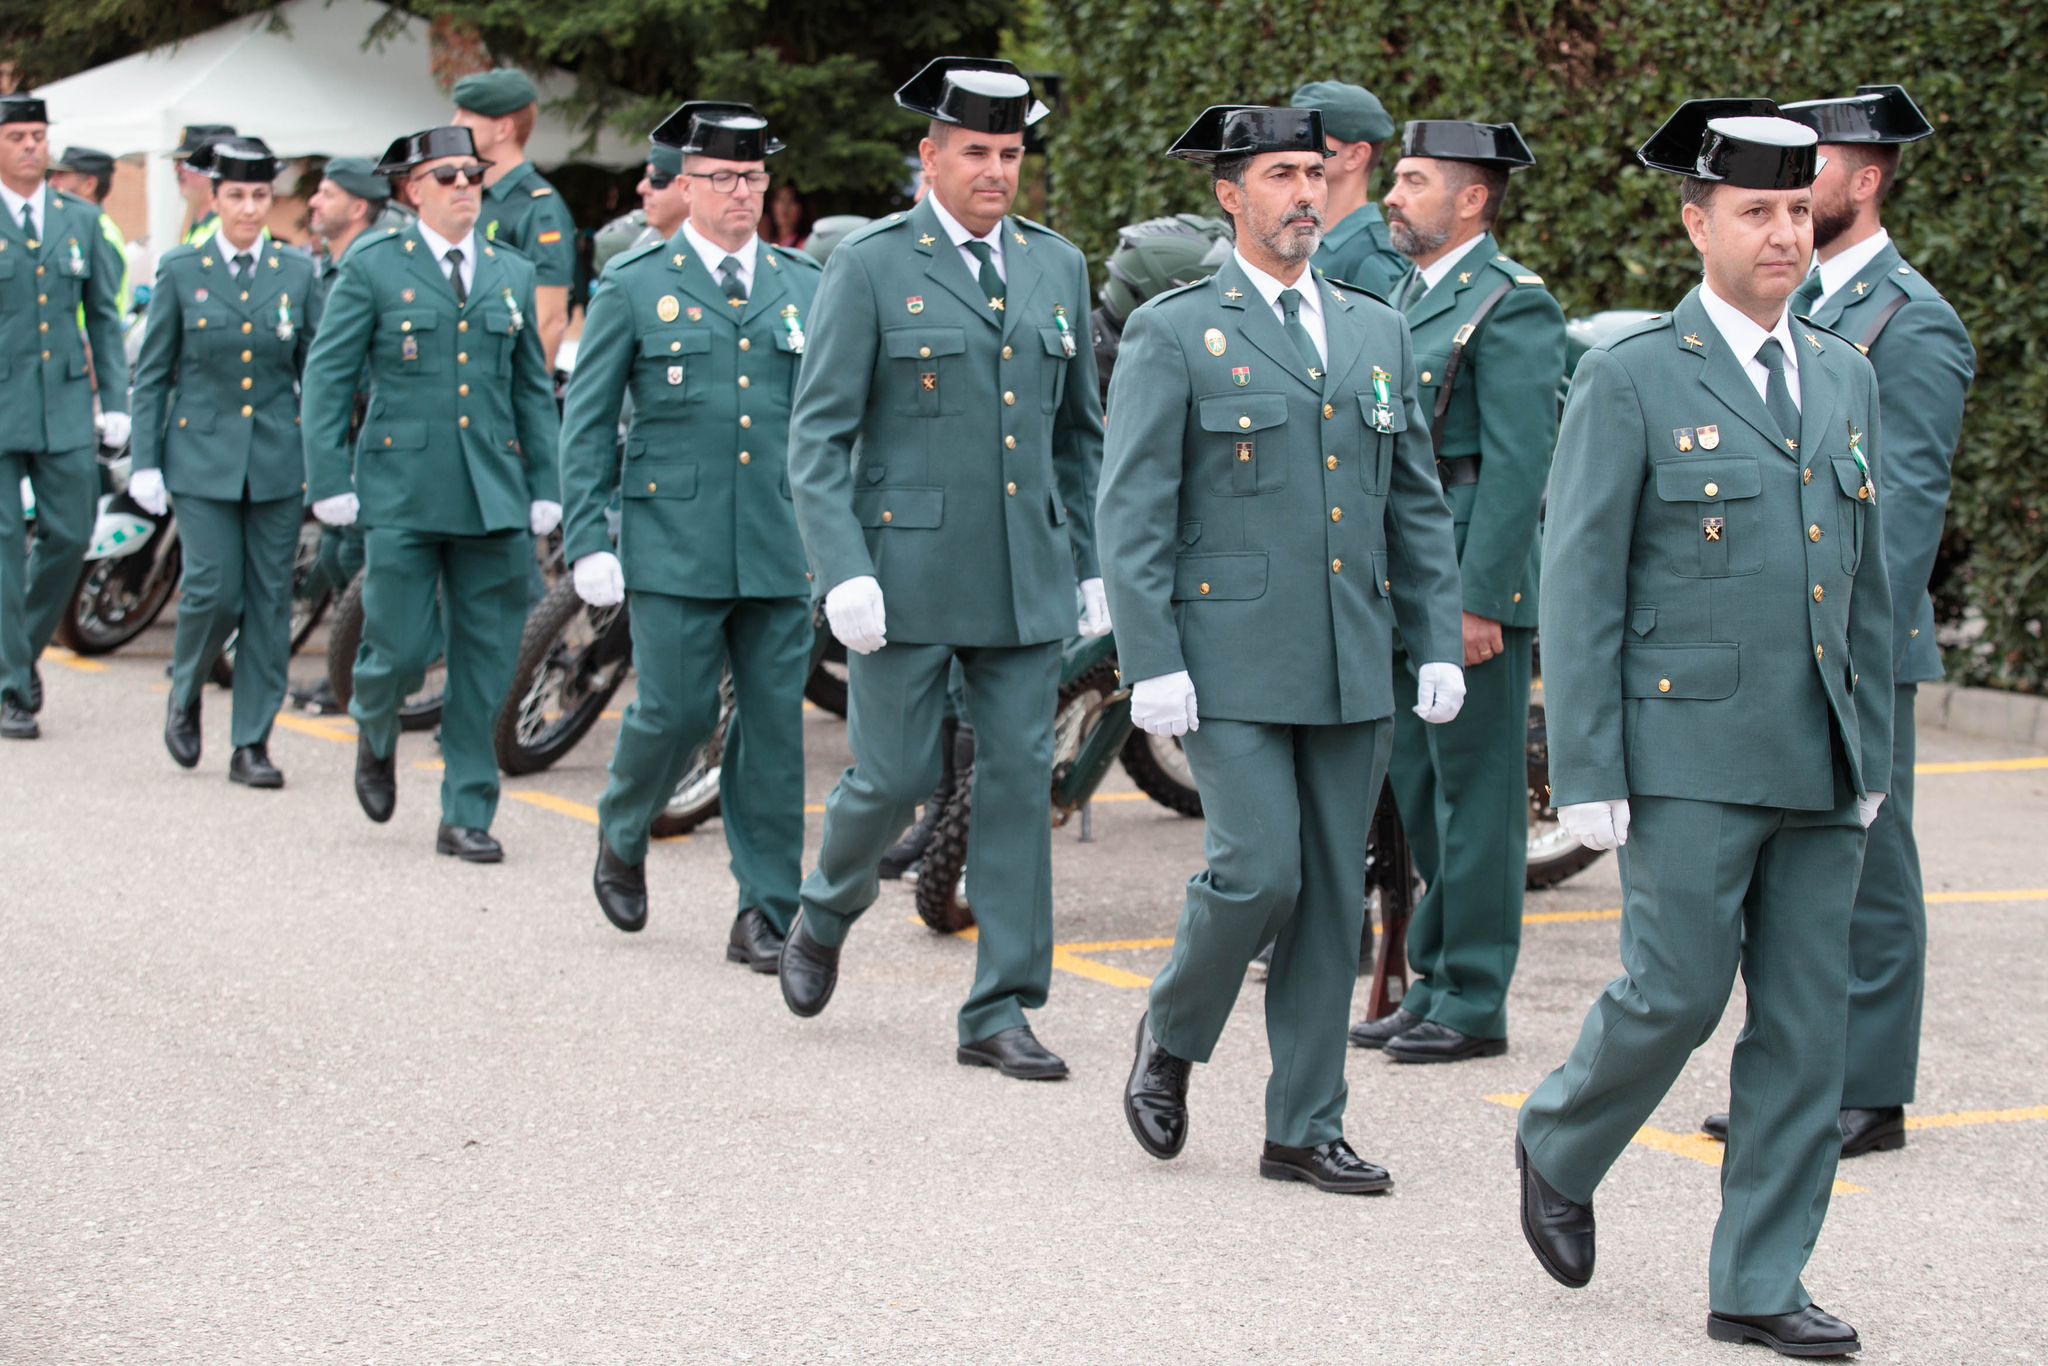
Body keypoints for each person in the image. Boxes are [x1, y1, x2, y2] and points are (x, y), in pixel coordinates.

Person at [1516, 100, 1891, 1358]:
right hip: (1684, 754)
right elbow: (1578, 583)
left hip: (1821, 754)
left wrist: (1874, 757)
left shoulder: (1841, 370)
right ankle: (1560, 1136)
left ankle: (1757, 1280)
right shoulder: (1628, 376)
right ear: (1696, 223)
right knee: (1673, 993)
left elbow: (1870, 579)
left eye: (1797, 209)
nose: (1782, 233)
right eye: (1755, 212)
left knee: (1804, 1028)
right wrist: (1584, 770)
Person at [1101, 105, 1464, 1192]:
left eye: (1313, 172)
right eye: (1277, 174)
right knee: (1257, 869)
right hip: (1227, 656)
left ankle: (1302, 1124)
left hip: (1352, 657)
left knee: (1327, 894)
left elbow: (1414, 499)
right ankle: (1170, 1033)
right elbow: (1133, 509)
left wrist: (1433, 636)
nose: (1303, 192)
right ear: (1229, 195)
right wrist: (1148, 656)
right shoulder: (1175, 329)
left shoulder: (1372, 327)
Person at [783, 57, 1108, 1079]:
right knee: (891, 777)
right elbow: (818, 437)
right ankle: (826, 906)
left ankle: (1000, 1007)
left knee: (1016, 781)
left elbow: (1078, 436)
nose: (996, 171)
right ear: (929, 158)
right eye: (975, 151)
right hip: (904, 575)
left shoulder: (1055, 266)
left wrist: (1092, 564)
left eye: (1010, 154)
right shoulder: (872, 265)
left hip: (1022, 576)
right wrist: (842, 568)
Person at [1696, 85, 1975, 1159]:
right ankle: (1796, 1073)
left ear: (1860, 181)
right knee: (1791, 872)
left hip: (1854, 644)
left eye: (1809, 170)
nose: (1784, 195)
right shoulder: (1794, 307)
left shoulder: (1910, 319)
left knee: (1869, 865)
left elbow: (1897, 519)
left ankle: (1868, 1086)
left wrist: (1846, 647)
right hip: (1774, 634)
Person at [564, 102, 822, 971]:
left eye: (753, 177)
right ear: (685, 185)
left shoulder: (806, 287)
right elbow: (588, 422)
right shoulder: (635, 285)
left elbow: (834, 426)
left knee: (773, 732)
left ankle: (765, 909)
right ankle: (624, 827)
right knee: (672, 712)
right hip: (672, 539)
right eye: (721, 177)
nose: (741, 192)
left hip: (780, 541)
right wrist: (587, 537)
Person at [1348, 121, 1565, 1063]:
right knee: (1422, 789)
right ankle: (1433, 978)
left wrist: (1479, 601)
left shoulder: (1513, 305)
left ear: (1472, 199)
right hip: (1404, 572)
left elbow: (1521, 466)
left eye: (1413, 180)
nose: (1393, 196)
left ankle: (1475, 997)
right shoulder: (1406, 292)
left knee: (1476, 797)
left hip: (1467, 581)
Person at [300, 125, 561, 862]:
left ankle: (467, 812)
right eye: (445, 176)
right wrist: (328, 481)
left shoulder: (510, 271)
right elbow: (327, 379)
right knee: (401, 648)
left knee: (486, 661)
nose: (463, 187)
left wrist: (547, 486)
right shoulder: (374, 267)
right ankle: (376, 727)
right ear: (411, 189)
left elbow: (529, 391)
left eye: (472, 175)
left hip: (492, 492)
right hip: (403, 490)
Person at [127, 138, 320, 786]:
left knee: (269, 601)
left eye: (260, 195)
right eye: (236, 195)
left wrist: (324, 463)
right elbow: (153, 375)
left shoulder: (297, 272)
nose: (248, 207)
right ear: (214, 199)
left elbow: (316, 374)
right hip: (200, 456)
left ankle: (252, 742)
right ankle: (185, 691)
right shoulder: (182, 268)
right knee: (213, 590)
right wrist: (145, 462)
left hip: (275, 457)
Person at [0, 93, 132, 741]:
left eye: (38, 135)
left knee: (70, 530)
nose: (31, 145)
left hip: (64, 405)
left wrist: (117, 405)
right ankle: (12, 685)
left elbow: (104, 317)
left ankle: (15, 652)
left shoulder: (78, 221)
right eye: (17, 135)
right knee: (1, 544)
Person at [293, 154, 395, 714]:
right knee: (338, 554)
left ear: (359, 207)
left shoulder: (366, 262)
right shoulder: (333, 264)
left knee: (354, 554)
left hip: (367, 431)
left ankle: (367, 678)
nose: (314, 201)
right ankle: (350, 673)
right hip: (345, 431)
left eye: (327, 194)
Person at [453, 70, 576, 368]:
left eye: (466, 116)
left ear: (503, 129)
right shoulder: (474, 196)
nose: (454, 125)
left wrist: (529, 404)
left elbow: (550, 319)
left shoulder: (539, 207)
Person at [1289, 81, 1406, 299]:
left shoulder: (1372, 258)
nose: (1296, 148)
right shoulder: (1308, 235)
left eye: (1311, 138)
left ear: (1356, 156)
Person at [46, 146, 131, 318]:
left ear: (89, 185)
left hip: (87, 340)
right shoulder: (76, 227)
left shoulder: (102, 233)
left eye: (62, 175)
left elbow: (102, 302)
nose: (52, 183)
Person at [171, 125, 236, 245]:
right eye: (176, 162)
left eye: (187, 162)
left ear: (215, 166)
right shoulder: (200, 224)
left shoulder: (238, 226)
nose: (177, 169)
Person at [762, 182, 806, 247]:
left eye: (791, 200)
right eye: (780, 200)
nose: (785, 207)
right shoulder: (766, 242)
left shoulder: (805, 245)